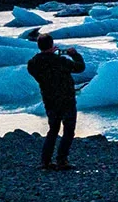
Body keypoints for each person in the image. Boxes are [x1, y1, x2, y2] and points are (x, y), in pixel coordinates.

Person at [27, 34, 86, 171]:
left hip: (49, 100)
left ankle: (45, 161)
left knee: (53, 130)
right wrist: (75, 55)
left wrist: (46, 55)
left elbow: (34, 67)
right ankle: (62, 160)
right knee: (68, 130)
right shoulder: (61, 61)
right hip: (66, 99)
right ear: (52, 45)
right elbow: (80, 67)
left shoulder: (33, 64)